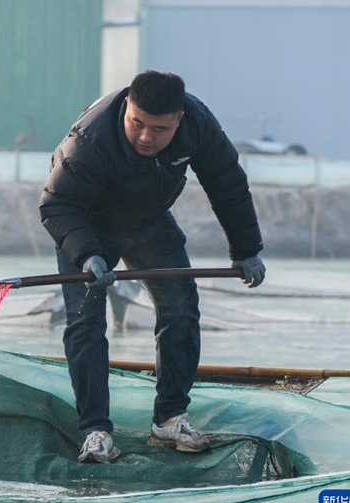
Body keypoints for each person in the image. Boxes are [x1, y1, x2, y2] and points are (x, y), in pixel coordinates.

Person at [39, 70, 266, 463]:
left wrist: (246, 250)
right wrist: (87, 254)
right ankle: (95, 430)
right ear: (127, 106)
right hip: (86, 225)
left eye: (159, 129)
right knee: (85, 321)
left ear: (179, 119)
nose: (145, 137)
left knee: (181, 306)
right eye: (137, 123)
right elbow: (57, 205)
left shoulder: (198, 124)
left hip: (149, 220)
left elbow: (227, 183)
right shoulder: (90, 139)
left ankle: (169, 419)